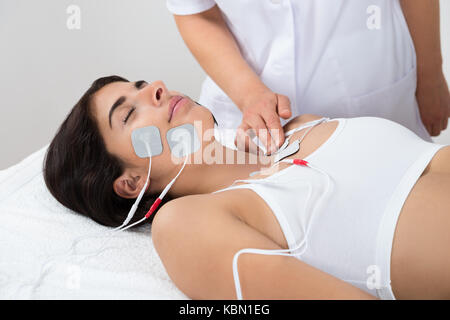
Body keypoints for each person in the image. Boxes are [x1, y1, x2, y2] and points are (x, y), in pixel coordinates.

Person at [44, 76, 450, 299]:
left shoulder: (296, 125)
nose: (156, 88)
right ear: (131, 183)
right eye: (129, 112)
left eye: (142, 84)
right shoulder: (185, 223)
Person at [166, 0, 450, 153]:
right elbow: (195, 11)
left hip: (375, 92)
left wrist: (430, 76)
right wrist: (248, 93)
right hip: (251, 115)